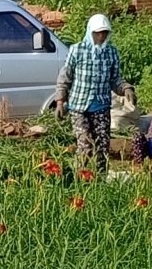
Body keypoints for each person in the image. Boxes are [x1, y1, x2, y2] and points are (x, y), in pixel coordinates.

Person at [55, 14, 136, 174]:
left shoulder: (111, 53)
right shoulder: (77, 50)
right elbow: (65, 76)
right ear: (90, 32)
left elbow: (115, 79)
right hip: (79, 107)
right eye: (97, 33)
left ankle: (100, 181)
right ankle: (81, 179)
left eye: (104, 33)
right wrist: (60, 100)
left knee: (102, 147)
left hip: (101, 106)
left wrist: (126, 88)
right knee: (85, 145)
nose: (101, 36)